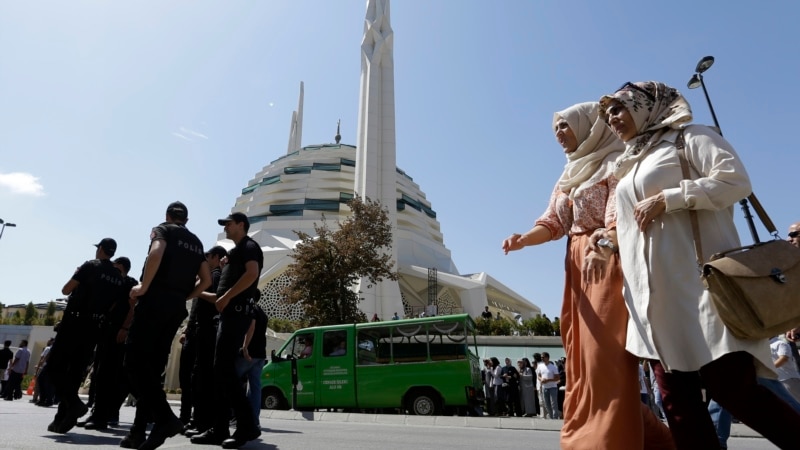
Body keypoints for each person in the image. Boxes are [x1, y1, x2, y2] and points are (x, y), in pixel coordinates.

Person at [597, 80, 800, 448]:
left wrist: (671, 198)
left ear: (647, 105)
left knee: (735, 391)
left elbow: (735, 181)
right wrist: (609, 242)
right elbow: (631, 227)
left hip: (701, 290)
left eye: (620, 107)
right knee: (677, 406)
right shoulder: (629, 164)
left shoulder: (689, 137)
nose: (612, 118)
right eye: (608, 112)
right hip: (655, 303)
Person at [502, 102, 670, 448]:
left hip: (606, 260)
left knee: (604, 359)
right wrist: (523, 240)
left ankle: (611, 440)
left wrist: (603, 246)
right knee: (578, 359)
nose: (560, 134)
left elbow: (617, 216)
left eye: (565, 126)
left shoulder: (614, 163)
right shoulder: (569, 175)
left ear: (589, 125)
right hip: (576, 267)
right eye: (556, 130)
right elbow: (552, 222)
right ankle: (645, 438)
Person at [123, 202, 211, 450]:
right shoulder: (196, 242)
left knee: (133, 364)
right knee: (152, 370)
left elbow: (156, 253)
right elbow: (205, 279)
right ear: (187, 219)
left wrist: (143, 287)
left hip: (153, 303)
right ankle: (139, 431)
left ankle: (164, 418)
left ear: (168, 216)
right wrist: (184, 296)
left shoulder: (163, 230)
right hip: (174, 310)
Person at [41, 238, 128, 434]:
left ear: (100, 249)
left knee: (54, 367)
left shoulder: (90, 266)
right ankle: (62, 419)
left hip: (75, 322)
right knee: (75, 373)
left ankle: (74, 404)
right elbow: (115, 305)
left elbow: (66, 289)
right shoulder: (118, 277)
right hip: (95, 326)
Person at [191, 212, 262, 449]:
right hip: (228, 316)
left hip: (236, 315)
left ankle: (246, 426)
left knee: (224, 371)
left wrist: (227, 297)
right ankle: (219, 428)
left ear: (241, 225)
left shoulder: (250, 246)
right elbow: (218, 297)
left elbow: (252, 275)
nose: (226, 228)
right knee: (220, 373)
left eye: (229, 224)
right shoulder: (234, 253)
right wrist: (194, 292)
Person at [79, 256, 138, 429]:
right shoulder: (114, 282)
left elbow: (133, 306)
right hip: (107, 330)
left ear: (122, 267)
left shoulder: (129, 283)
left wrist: (125, 328)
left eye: (115, 266)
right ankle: (99, 414)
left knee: (110, 375)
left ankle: (103, 416)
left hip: (118, 331)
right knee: (100, 373)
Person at [183, 245, 228, 438]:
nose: (205, 258)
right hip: (199, 330)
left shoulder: (215, 277)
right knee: (196, 377)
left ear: (216, 257)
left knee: (203, 378)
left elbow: (217, 299)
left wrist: (199, 289)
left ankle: (203, 421)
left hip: (208, 331)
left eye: (208, 255)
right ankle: (198, 419)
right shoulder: (206, 277)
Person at [236, 303, 268, 428]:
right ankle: (254, 421)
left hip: (249, 353)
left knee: (232, 382)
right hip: (260, 354)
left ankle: (236, 416)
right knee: (255, 388)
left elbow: (251, 327)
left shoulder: (250, 309)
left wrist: (245, 347)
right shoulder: (263, 313)